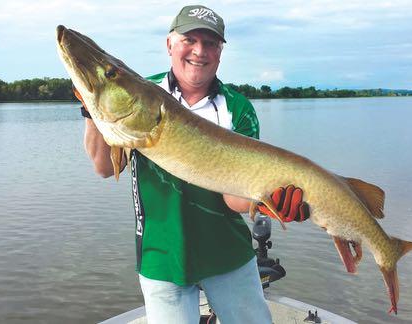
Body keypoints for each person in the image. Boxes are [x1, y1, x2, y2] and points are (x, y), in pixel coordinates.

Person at [78, 5, 310, 324]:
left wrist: (272, 201)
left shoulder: (237, 108)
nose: (200, 51)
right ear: (170, 44)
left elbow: (233, 198)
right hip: (162, 257)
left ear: (220, 52)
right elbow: (104, 167)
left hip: (228, 254)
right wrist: (93, 108)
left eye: (211, 43)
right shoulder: (139, 95)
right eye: (190, 39)